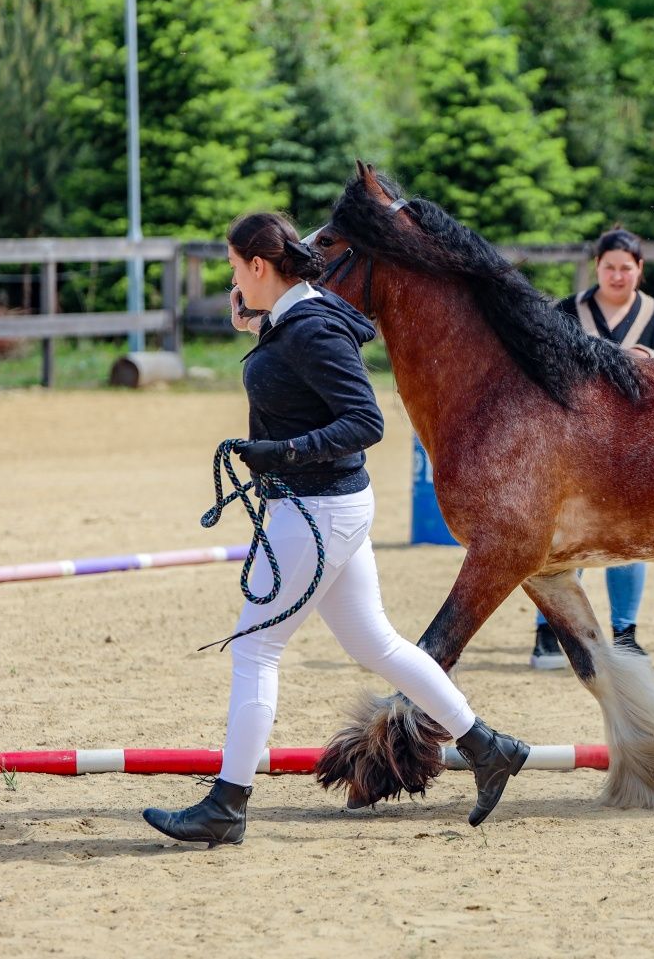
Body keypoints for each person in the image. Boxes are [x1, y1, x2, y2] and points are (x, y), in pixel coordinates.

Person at [142, 212, 530, 846]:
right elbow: (302, 364)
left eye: (235, 266)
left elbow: (365, 421)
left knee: (256, 648)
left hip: (314, 511)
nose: (232, 278)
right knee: (376, 643)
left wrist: (285, 451)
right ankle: (488, 746)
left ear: (258, 266)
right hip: (329, 508)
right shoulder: (298, 316)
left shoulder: (311, 328)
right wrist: (260, 324)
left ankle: (228, 804)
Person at [530, 228, 654, 669]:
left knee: (628, 535)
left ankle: (626, 633)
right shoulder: (567, 310)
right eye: (609, 266)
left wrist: (646, 363)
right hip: (572, 442)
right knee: (560, 536)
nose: (617, 275)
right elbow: (548, 371)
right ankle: (549, 632)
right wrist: (620, 357)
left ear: (639, 269)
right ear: (598, 267)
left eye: (626, 267)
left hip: (634, 442)